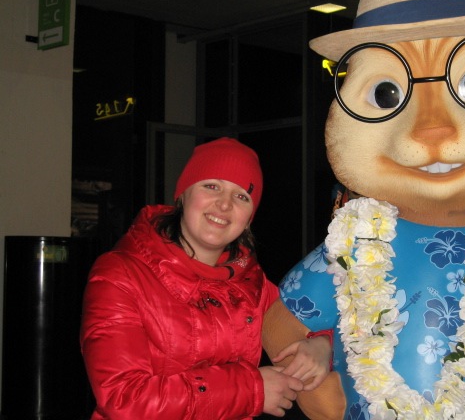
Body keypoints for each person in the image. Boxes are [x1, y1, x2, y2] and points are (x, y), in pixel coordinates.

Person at [81, 137, 332, 419]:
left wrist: (323, 344)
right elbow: (124, 399)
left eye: (241, 196)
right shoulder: (120, 274)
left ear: (249, 219)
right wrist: (251, 390)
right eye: (212, 186)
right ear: (183, 195)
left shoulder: (250, 281)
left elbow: (306, 321)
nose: (224, 205)